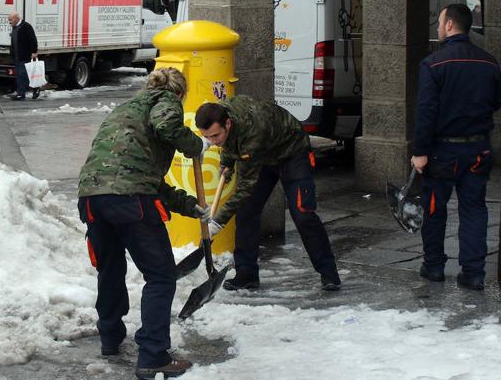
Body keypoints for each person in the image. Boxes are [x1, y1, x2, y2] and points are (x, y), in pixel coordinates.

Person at [77, 68, 211, 379]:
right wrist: (196, 145)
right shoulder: (166, 100)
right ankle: (153, 356)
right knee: (161, 276)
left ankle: (110, 338)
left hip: (92, 197)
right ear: (178, 93)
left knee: (109, 268)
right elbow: (167, 126)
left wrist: (191, 206)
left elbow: (144, 178)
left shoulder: (126, 110)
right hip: (130, 200)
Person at [195, 95, 341, 292]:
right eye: (207, 137)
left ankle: (329, 273)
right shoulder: (221, 113)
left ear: (227, 123)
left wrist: (217, 222)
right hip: (262, 156)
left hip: (291, 152)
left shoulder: (254, 131)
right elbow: (230, 141)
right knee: (247, 211)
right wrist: (227, 162)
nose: (212, 142)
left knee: (302, 213)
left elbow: (246, 186)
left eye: (215, 136)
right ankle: (246, 274)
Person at [412, 4, 501, 291]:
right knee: (474, 210)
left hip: (442, 152)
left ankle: (434, 266)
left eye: (439, 23)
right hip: (477, 149)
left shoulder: (433, 64)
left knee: (435, 209)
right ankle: (474, 273)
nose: (437, 28)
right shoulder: (489, 63)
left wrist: (420, 152)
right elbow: (495, 101)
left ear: (450, 25)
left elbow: (425, 112)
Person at [8, 12, 40, 101]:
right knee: (21, 75)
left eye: (11, 20)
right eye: (9, 20)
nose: (9, 22)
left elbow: (33, 39)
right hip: (17, 56)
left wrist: (34, 51)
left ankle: (22, 93)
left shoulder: (26, 27)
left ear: (17, 18)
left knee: (23, 75)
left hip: (25, 55)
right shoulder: (15, 27)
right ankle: (24, 92)